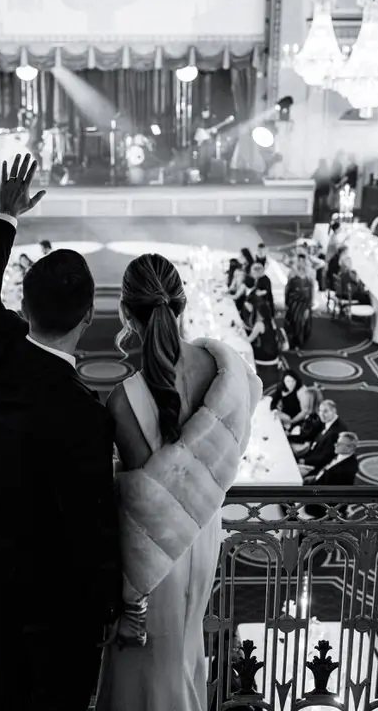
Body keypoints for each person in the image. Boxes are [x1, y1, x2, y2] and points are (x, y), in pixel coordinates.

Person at [0, 154, 120, 711]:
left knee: (5, 677)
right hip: (58, 591)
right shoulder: (88, 414)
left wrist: (6, 215)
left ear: (21, 305)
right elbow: (92, 519)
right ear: (90, 316)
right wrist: (109, 604)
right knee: (57, 693)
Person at [96, 251, 262, 711]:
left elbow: (141, 505)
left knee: (144, 670)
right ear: (182, 303)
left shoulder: (123, 399)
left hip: (154, 556)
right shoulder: (227, 373)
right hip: (204, 533)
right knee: (186, 654)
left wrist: (126, 599)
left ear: (126, 314)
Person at [296, 400, 346, 473]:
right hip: (311, 455)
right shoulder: (328, 421)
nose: (321, 414)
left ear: (334, 411)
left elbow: (325, 458)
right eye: (320, 411)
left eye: (325, 411)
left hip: (317, 467)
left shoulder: (335, 432)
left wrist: (303, 461)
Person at [284, 253, 315, 350]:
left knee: (304, 322)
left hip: (305, 303)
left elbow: (311, 288)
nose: (301, 263)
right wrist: (286, 302)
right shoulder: (292, 273)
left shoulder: (310, 273)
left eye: (303, 261)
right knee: (294, 321)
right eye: (299, 261)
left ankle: (301, 341)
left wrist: (311, 302)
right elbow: (287, 288)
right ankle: (294, 341)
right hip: (294, 302)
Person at [246, 300, 280, 367]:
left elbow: (249, 340)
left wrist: (239, 335)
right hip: (274, 352)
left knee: (246, 351)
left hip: (265, 355)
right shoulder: (272, 321)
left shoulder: (259, 324)